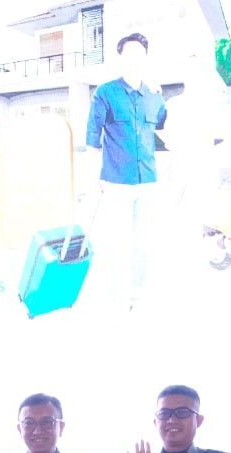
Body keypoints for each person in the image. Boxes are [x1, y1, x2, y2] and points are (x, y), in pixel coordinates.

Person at [85, 31, 167, 310]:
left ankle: (136, 294)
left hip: (148, 181)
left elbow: (166, 133)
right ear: (121, 58)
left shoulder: (154, 95)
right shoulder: (105, 92)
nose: (134, 58)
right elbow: (92, 138)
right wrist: (92, 179)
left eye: (139, 53)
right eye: (129, 53)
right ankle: (117, 294)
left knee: (143, 242)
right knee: (117, 242)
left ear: (145, 58)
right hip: (116, 182)